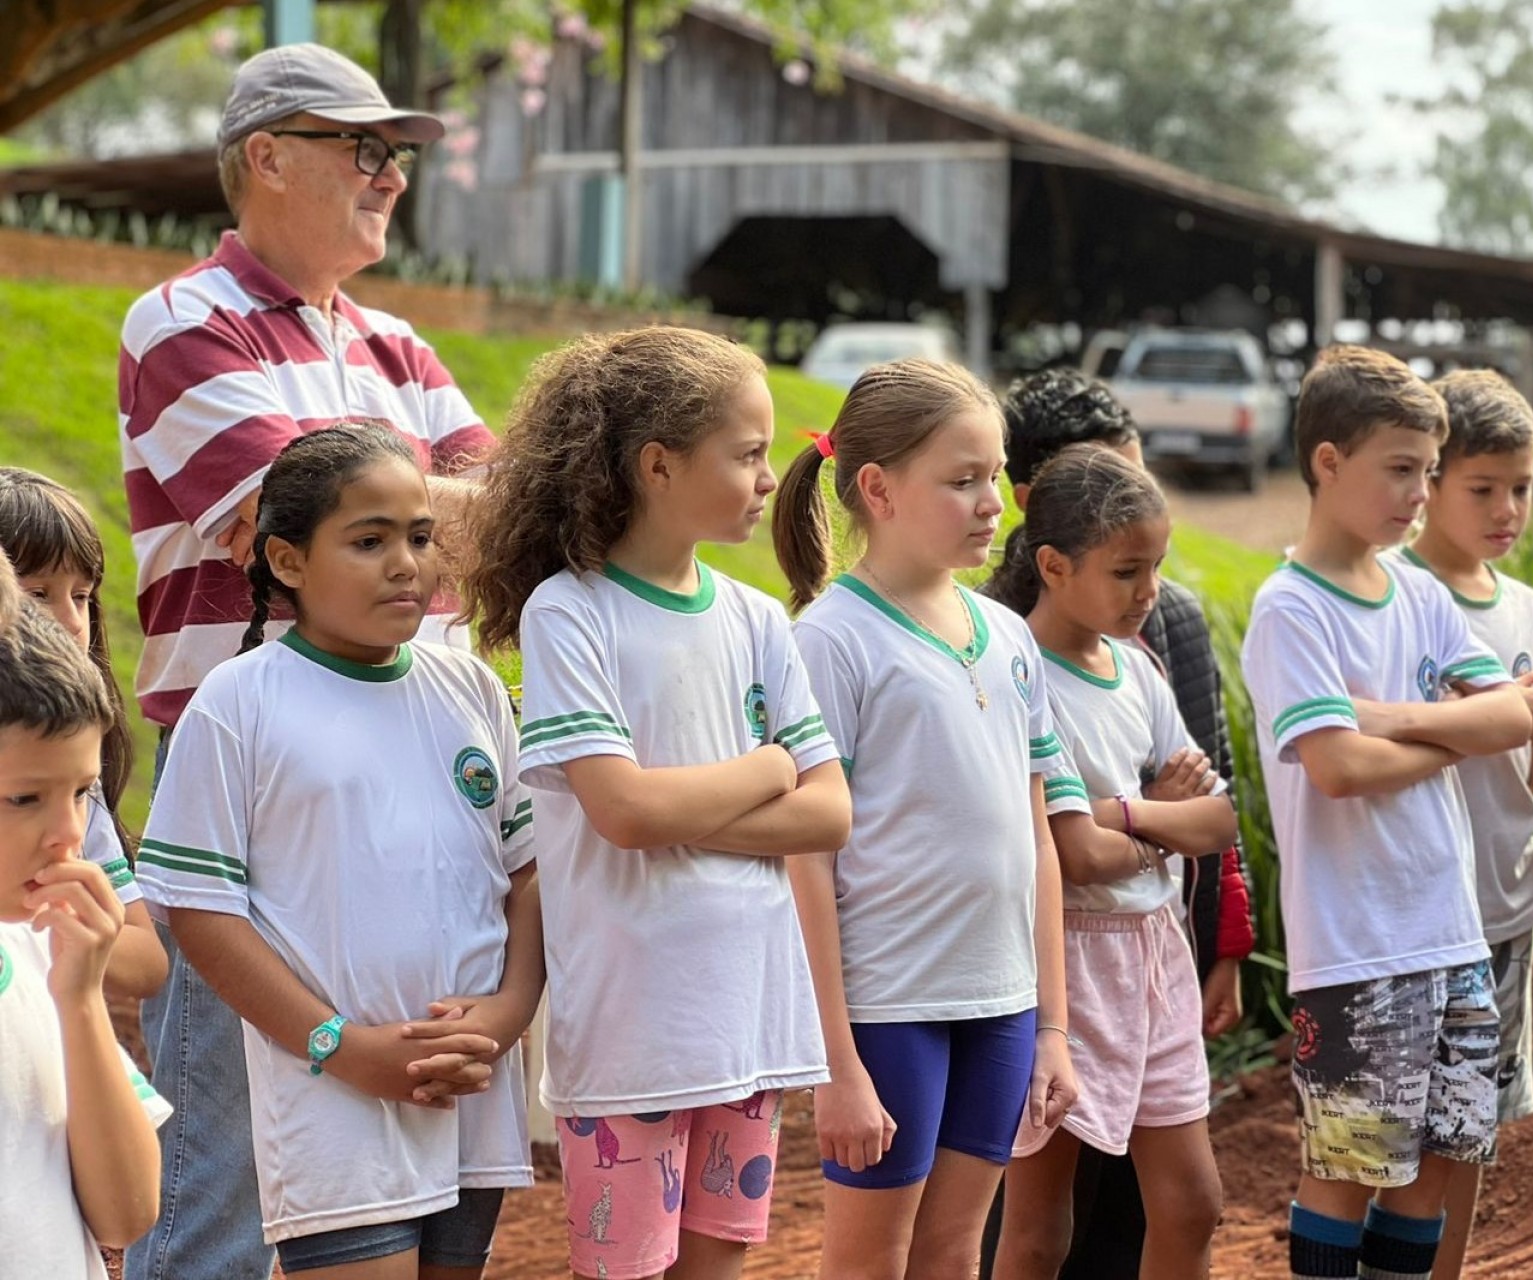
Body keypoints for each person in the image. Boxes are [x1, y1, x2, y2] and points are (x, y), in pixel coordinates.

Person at [119, 43, 495, 1280]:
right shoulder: (180, 320)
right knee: (224, 1155)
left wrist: (461, 510)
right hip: (255, 761)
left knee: (401, 1141)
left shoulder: (397, 343)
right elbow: (283, 507)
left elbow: (522, 523)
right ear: (267, 156)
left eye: (398, 156)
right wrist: (456, 508)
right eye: (366, 149)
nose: (393, 177)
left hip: (422, 752)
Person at [461, 327, 853, 1280]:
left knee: (717, 1267)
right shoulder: (572, 611)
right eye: (749, 454)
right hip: (633, 1031)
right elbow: (623, 814)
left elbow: (830, 814)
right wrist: (765, 769)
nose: (771, 480)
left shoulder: (759, 619)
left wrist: (681, 808)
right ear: (659, 464)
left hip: (749, 1019)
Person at [133, 426, 540, 1277]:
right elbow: (203, 915)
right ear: (285, 561)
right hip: (333, 1096)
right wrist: (341, 1047)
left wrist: (505, 1017)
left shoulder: (470, 689)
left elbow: (527, 872)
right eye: (369, 540)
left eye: (421, 537)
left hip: (468, 1082)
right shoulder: (237, 705)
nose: (406, 564)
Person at [773, 358, 1079, 1279]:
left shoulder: (1012, 635)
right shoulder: (830, 641)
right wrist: (837, 1064)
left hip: (1002, 1006)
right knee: (870, 1263)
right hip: (885, 1011)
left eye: (994, 476)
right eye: (962, 480)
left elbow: (1038, 841)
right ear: (878, 488)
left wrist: (1053, 1025)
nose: (993, 502)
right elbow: (806, 864)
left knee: (953, 1256)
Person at [1240, 345, 1532, 1280]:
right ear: (1328, 463)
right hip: (1360, 945)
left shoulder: (1419, 590)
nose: (1419, 493)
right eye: (1400, 469)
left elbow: (1511, 716)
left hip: (1451, 936)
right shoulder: (1291, 610)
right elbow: (1338, 767)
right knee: (1350, 1169)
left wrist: (1392, 718)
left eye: (1427, 471)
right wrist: (1452, 728)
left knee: (1433, 1172)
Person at [986, 444, 1233, 1279]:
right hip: (1066, 958)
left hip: (1155, 956)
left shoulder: (1139, 670)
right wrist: (1159, 812)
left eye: (1156, 566)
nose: (1150, 591)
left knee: (1193, 1203)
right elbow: (1077, 858)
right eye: (1127, 570)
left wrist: (1123, 808)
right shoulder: (1022, 669)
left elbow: (1219, 816)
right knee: (1038, 1227)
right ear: (1053, 565)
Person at [1382, 372, 1533, 1280]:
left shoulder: (1526, 609)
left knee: (1469, 1129)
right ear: (1429, 481)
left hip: (1502, 903)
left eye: (1523, 487)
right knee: (1388, 1131)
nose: (1508, 509)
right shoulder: (1388, 592)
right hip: (1405, 908)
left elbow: (1521, 775)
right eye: (1484, 488)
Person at [0, 571, 169, 1279]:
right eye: (23, 798)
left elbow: (128, 1214)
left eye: (81, 792)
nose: (68, 835)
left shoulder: (35, 941)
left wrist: (79, 1001)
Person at [0, 469, 168, 1000]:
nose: (72, 621)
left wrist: (63, 921)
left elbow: (146, 961)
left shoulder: (71, 782)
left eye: (82, 596)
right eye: (38, 593)